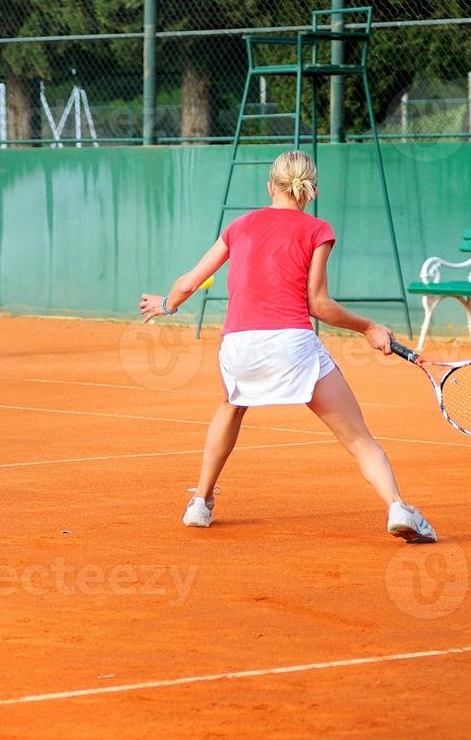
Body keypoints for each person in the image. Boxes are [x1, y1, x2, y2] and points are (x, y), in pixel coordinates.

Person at [139, 150, 436, 543]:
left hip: (239, 346)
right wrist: (368, 327)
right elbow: (319, 305)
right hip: (291, 344)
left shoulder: (240, 224)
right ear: (311, 190)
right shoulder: (318, 230)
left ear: (270, 186)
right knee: (357, 437)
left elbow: (189, 283)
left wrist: (166, 304)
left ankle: (200, 502)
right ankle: (398, 508)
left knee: (230, 407)